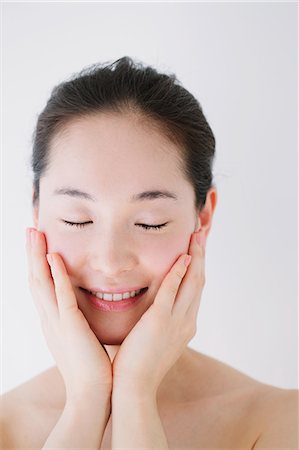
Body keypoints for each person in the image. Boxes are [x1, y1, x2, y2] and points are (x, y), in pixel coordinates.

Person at [1, 56, 297, 449]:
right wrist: (87, 400)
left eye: (150, 222)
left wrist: (135, 397)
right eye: (77, 219)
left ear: (203, 217)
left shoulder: (277, 422)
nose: (109, 261)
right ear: (38, 212)